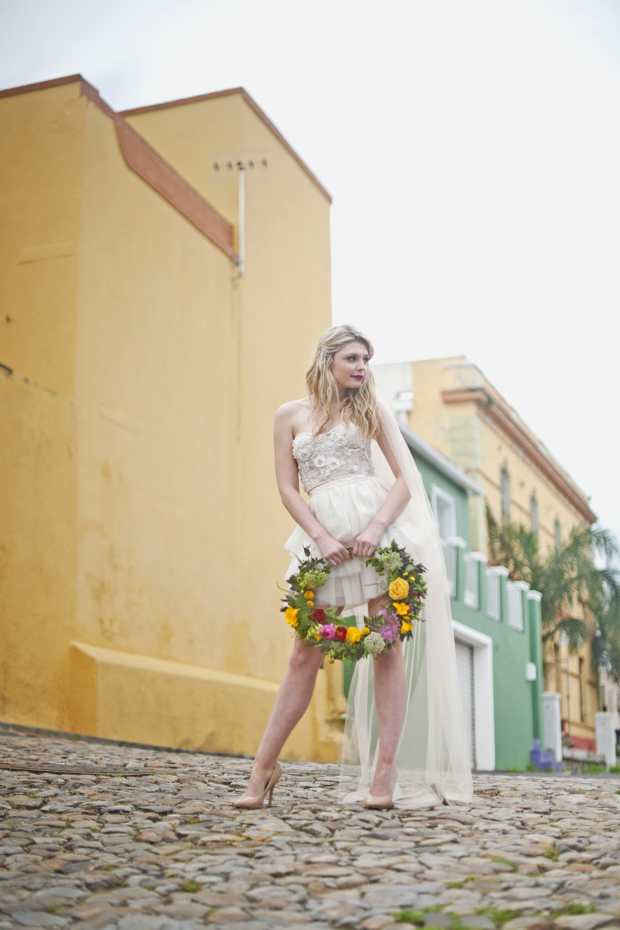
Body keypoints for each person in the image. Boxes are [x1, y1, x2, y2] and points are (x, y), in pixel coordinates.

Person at [233, 326, 472, 811]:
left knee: (387, 647)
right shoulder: (289, 416)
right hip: (322, 539)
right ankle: (263, 768)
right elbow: (286, 488)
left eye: (366, 359)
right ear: (328, 359)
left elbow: (406, 478)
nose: (362, 366)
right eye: (353, 357)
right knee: (304, 654)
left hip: (376, 537)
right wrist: (320, 537)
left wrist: (377, 528)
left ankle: (385, 770)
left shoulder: (372, 410)